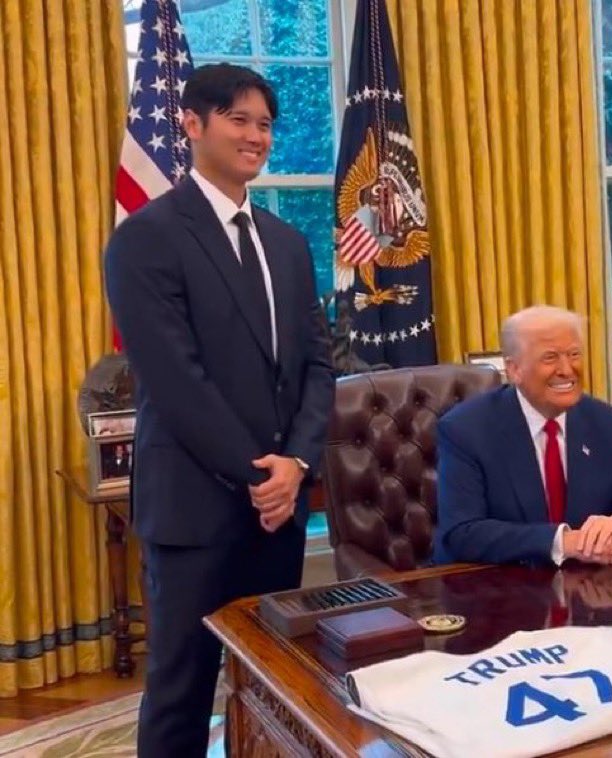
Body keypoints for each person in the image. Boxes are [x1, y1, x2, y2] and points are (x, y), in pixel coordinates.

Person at [104, 64, 335, 757]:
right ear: (192, 124)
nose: (255, 136)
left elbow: (318, 366)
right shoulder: (145, 238)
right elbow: (176, 382)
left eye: (264, 124)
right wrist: (260, 475)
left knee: (272, 685)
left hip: (278, 510)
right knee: (183, 689)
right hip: (195, 509)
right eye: (238, 120)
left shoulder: (287, 243)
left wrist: (296, 465)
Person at [433, 305, 612, 567]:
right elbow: (462, 532)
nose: (567, 369)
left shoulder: (606, 422)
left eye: (574, 354)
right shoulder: (465, 429)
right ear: (514, 369)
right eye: (550, 357)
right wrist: (564, 542)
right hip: (499, 583)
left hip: (590, 583)